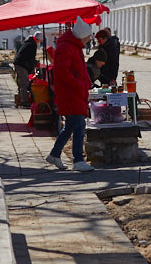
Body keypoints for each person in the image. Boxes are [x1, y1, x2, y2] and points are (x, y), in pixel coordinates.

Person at [45, 16, 95, 172]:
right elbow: (63, 72)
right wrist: (80, 84)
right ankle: (78, 159)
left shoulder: (74, 47)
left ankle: (54, 154)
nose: (89, 40)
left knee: (70, 127)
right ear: (81, 36)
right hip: (70, 94)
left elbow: (79, 69)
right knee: (79, 125)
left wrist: (86, 82)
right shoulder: (66, 48)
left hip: (74, 93)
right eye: (87, 37)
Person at [14, 34, 39, 106]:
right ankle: (25, 101)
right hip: (21, 64)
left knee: (21, 83)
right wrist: (35, 64)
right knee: (24, 83)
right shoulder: (32, 44)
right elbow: (31, 58)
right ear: (38, 39)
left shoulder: (28, 42)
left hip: (18, 63)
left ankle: (20, 99)